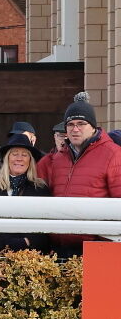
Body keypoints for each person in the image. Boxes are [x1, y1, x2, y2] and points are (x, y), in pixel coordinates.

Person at [37, 94, 121, 256]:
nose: (75, 129)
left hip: (97, 246)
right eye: (70, 124)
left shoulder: (113, 154)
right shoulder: (59, 157)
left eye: (81, 124)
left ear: (93, 127)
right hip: (58, 248)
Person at [0, 134, 50, 252]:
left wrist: (26, 241)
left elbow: (46, 227)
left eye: (24, 155)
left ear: (30, 160)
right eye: (15, 154)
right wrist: (6, 243)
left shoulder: (40, 189)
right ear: (7, 158)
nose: (19, 158)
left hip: (31, 257)